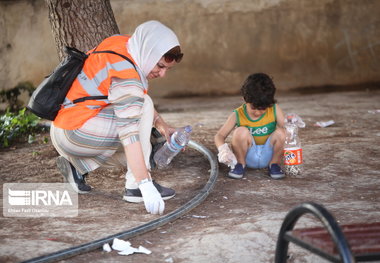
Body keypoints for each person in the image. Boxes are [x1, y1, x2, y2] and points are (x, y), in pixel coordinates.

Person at [50, 21, 184, 215]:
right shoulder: (127, 77)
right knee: (143, 108)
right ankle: (134, 187)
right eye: (160, 65)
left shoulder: (122, 44)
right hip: (78, 132)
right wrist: (144, 184)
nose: (162, 74)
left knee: (144, 154)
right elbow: (129, 133)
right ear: (149, 52)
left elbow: (121, 98)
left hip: (62, 128)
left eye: (167, 69)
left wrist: (160, 123)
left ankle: (76, 165)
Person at [214, 73, 286, 180]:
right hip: (247, 155)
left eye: (262, 108)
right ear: (244, 99)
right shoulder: (238, 114)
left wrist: (291, 122)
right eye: (253, 107)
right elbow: (219, 135)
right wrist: (223, 149)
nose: (257, 112)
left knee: (283, 132)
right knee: (240, 131)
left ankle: (274, 164)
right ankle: (240, 165)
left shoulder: (274, 109)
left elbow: (287, 128)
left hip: (269, 154)